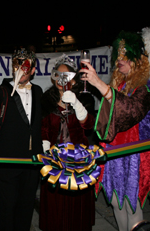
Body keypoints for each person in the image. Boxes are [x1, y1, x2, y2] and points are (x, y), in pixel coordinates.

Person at [81, 26, 150, 231]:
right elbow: (108, 118)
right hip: (114, 153)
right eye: (118, 55)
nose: (119, 59)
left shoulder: (145, 88)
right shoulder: (121, 86)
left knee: (132, 206)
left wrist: (99, 85)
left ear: (138, 60)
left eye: (125, 55)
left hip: (134, 156)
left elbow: (131, 112)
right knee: (115, 202)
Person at [0, 48, 43, 231]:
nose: (22, 68)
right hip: (8, 161)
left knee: (26, 209)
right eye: (18, 63)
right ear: (12, 67)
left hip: (33, 161)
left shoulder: (38, 91)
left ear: (33, 70)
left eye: (26, 64)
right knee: (8, 209)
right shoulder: (0, 92)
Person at [38, 54, 96, 231]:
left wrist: (76, 104)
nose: (61, 80)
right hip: (55, 160)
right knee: (56, 203)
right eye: (58, 75)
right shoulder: (47, 99)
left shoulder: (85, 98)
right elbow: (44, 128)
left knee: (76, 203)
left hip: (78, 160)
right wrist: (45, 148)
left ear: (74, 80)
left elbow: (89, 126)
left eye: (66, 76)